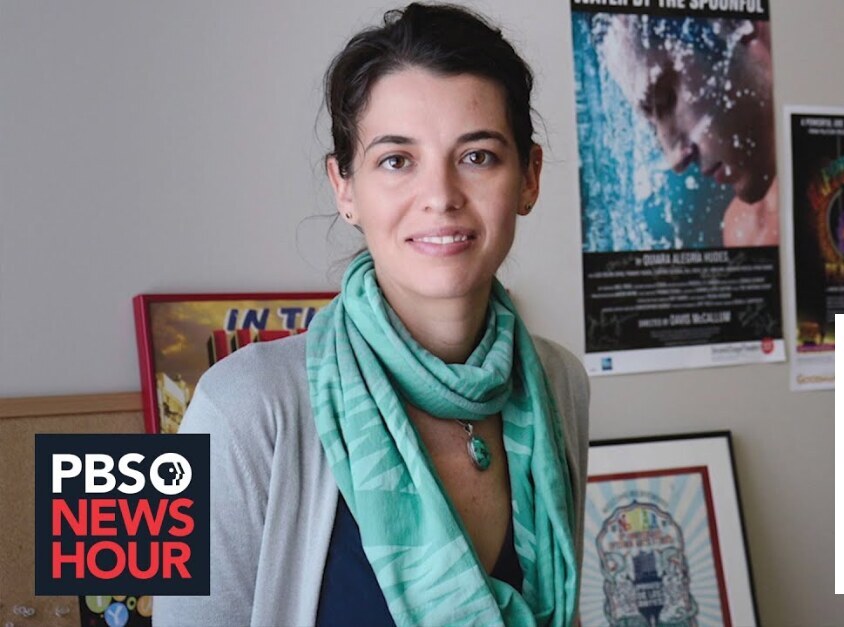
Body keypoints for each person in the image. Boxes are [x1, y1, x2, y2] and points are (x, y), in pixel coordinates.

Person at [155, 4, 590, 626]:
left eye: (477, 156)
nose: (440, 196)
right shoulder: (239, 406)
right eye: (396, 160)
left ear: (529, 177)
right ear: (344, 187)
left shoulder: (560, 381)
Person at [594, 14, 779, 247]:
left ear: (736, 22)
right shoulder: (746, 231)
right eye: (652, 126)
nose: (675, 161)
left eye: (665, 100)